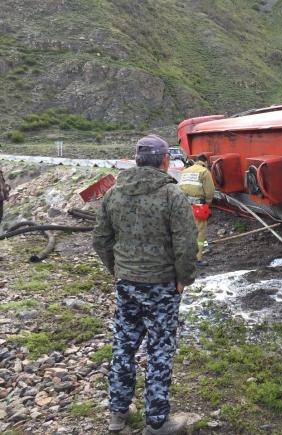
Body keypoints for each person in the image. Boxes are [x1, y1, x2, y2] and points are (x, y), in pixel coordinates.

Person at [93, 135, 197, 435]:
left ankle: (117, 414)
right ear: (165, 160)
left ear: (137, 159)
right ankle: (156, 422)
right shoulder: (172, 196)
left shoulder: (114, 193)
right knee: (159, 351)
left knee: (123, 346)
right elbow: (187, 244)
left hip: (127, 283)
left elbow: (100, 239)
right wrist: (183, 279)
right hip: (162, 286)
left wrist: (118, 269)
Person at [178, 154, 215, 267]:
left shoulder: (186, 171)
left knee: (186, 231)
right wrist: (208, 204)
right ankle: (197, 259)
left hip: (184, 205)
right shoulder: (204, 171)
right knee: (199, 233)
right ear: (205, 162)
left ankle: (184, 256)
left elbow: (180, 187)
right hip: (198, 206)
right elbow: (210, 191)